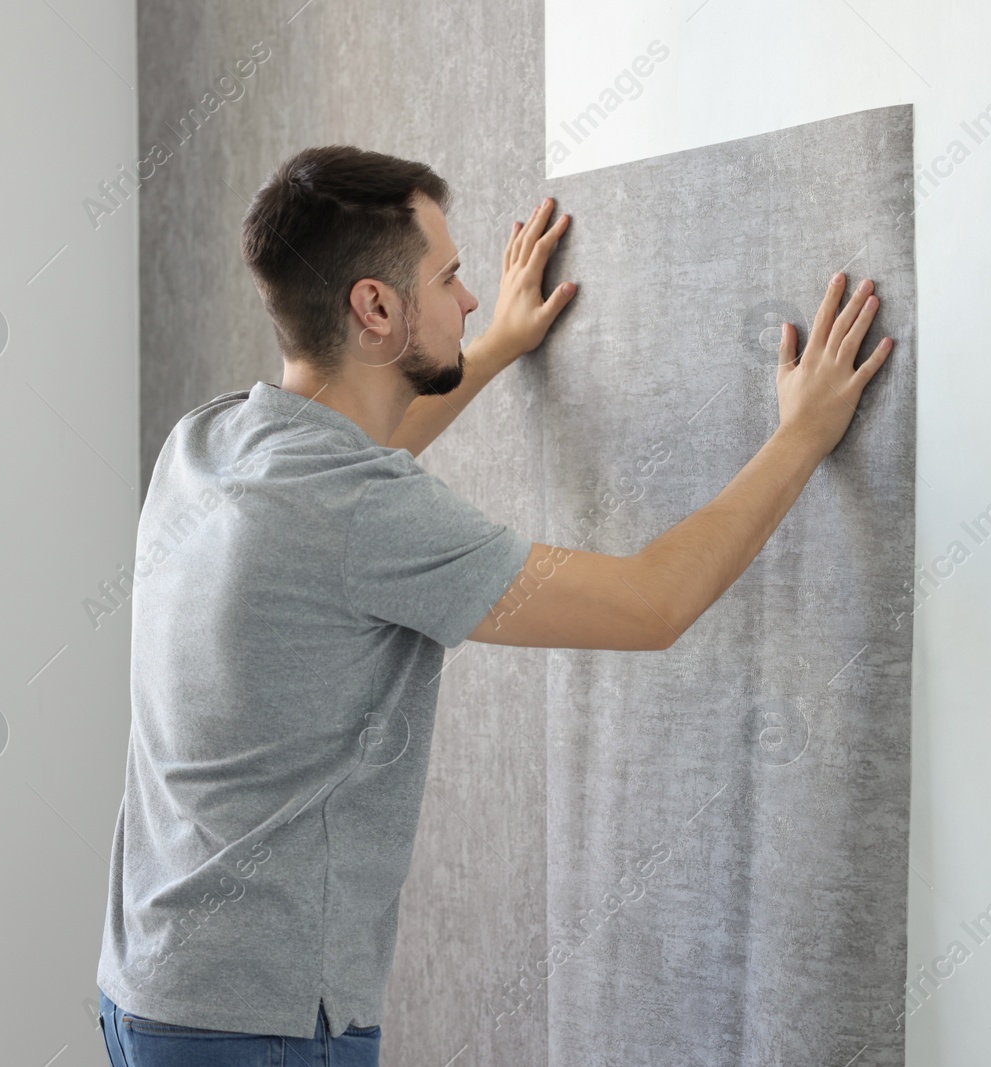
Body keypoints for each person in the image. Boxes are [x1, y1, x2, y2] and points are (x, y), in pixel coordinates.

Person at [95, 144, 892, 1066]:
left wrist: (496, 344)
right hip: (258, 1025)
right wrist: (801, 434)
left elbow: (356, 463)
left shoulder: (214, 440)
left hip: (149, 990)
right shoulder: (356, 511)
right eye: (451, 277)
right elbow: (652, 604)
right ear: (377, 306)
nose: (469, 299)